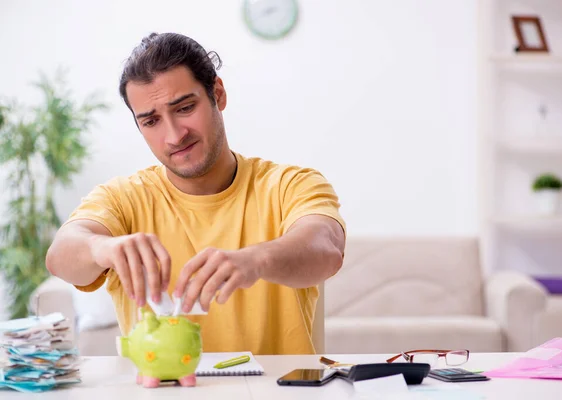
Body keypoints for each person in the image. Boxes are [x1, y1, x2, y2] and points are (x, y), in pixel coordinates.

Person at [45, 32, 346, 355]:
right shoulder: (123, 198)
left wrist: (258, 259)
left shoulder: (289, 184)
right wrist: (101, 247)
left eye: (185, 108)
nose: (174, 136)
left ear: (217, 93)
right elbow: (60, 256)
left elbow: (326, 246)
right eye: (151, 121)